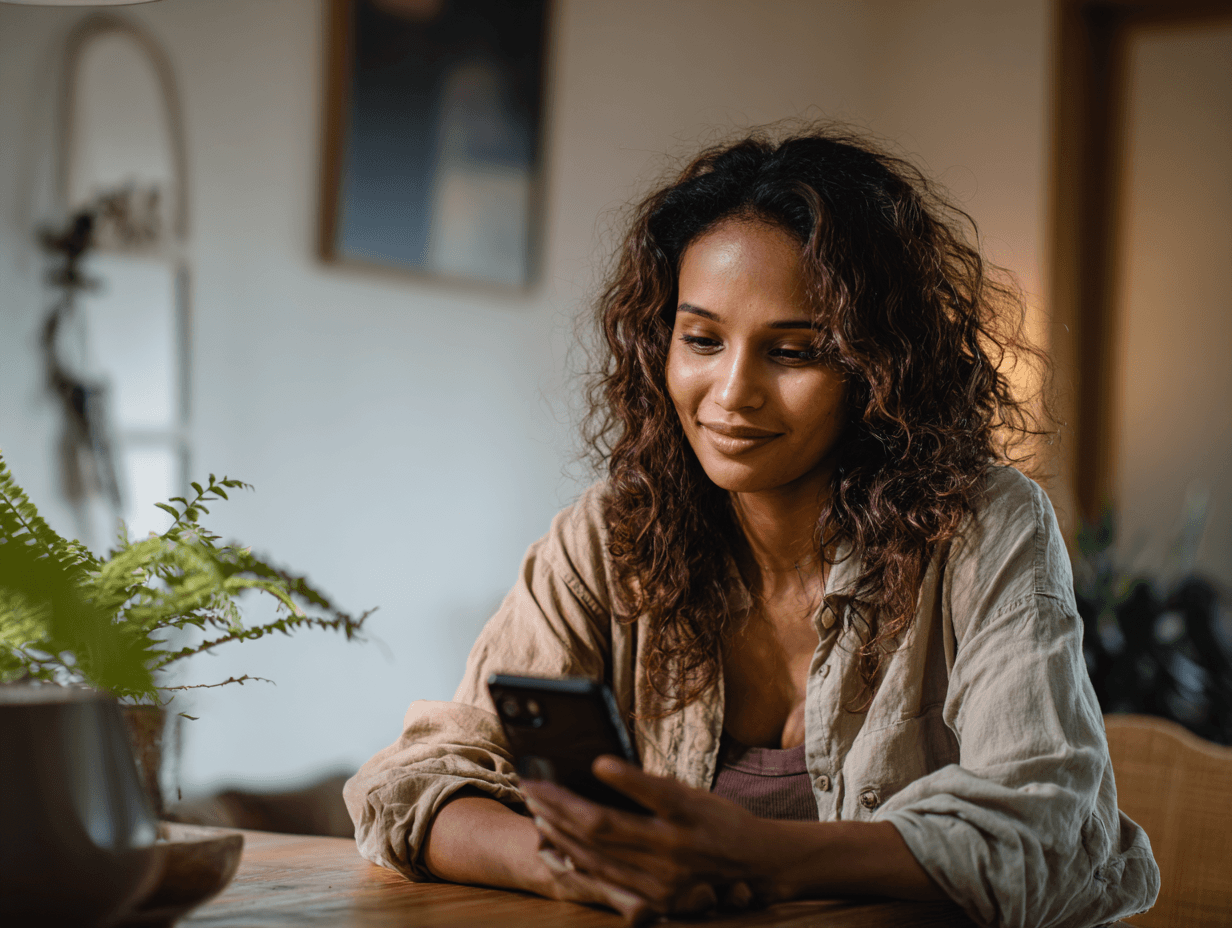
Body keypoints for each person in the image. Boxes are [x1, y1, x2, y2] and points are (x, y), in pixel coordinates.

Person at [344, 127, 1160, 927]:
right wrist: (580, 872)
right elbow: (413, 782)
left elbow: (1046, 834)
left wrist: (753, 856)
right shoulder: (609, 536)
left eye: (794, 352)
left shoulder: (982, 527)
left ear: (877, 367)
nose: (732, 393)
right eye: (701, 340)